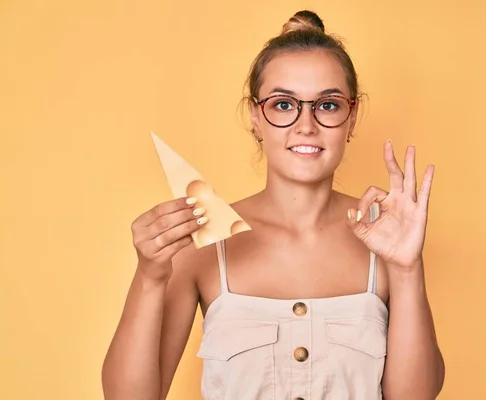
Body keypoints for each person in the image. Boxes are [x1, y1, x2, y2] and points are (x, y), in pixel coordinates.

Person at [102, 9, 445, 400]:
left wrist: (407, 268)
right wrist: (148, 276)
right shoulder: (201, 242)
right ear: (254, 116)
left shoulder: (384, 237)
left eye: (328, 105)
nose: (306, 125)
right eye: (283, 104)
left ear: (352, 117)